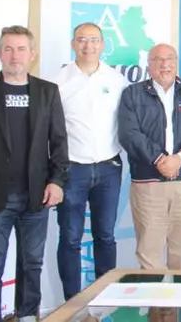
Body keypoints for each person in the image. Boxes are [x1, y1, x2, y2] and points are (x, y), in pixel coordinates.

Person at [0, 26, 69, 322]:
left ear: (32, 54)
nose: (15, 55)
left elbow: (59, 142)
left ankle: (25, 316)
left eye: (21, 49)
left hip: (36, 195)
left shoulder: (47, 91)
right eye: (8, 49)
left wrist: (58, 182)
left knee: (31, 264)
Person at [53, 23, 129, 300]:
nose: (88, 46)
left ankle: (104, 297)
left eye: (94, 40)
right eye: (82, 40)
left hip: (109, 169)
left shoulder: (116, 79)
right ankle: (71, 302)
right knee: (70, 239)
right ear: (74, 44)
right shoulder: (59, 81)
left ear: (102, 44)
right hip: (72, 170)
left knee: (106, 236)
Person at [118, 43, 181, 270]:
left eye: (169, 58)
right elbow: (129, 134)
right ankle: (155, 306)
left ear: (176, 62)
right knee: (149, 252)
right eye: (158, 59)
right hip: (149, 183)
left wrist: (179, 158)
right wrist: (159, 159)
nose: (164, 64)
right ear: (149, 65)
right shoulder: (133, 94)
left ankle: (178, 305)